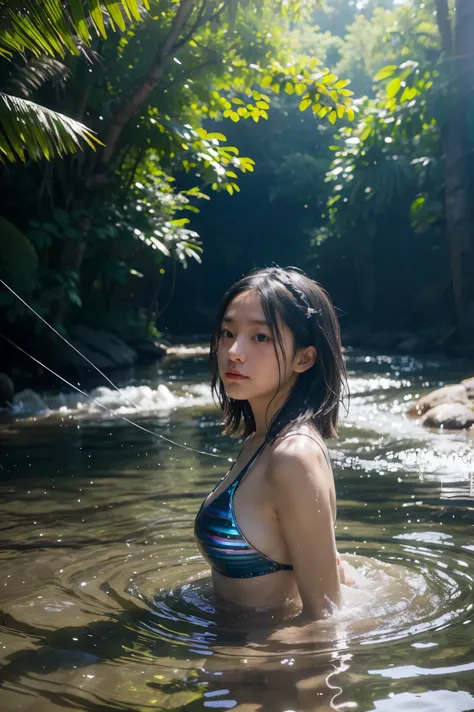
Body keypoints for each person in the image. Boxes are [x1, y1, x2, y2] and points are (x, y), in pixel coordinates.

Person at [194, 266, 352, 624]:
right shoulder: (259, 440)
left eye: (260, 337)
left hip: (266, 667)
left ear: (304, 358)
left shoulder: (293, 456)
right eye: (227, 333)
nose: (234, 351)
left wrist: (251, 664)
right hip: (235, 651)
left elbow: (325, 618)